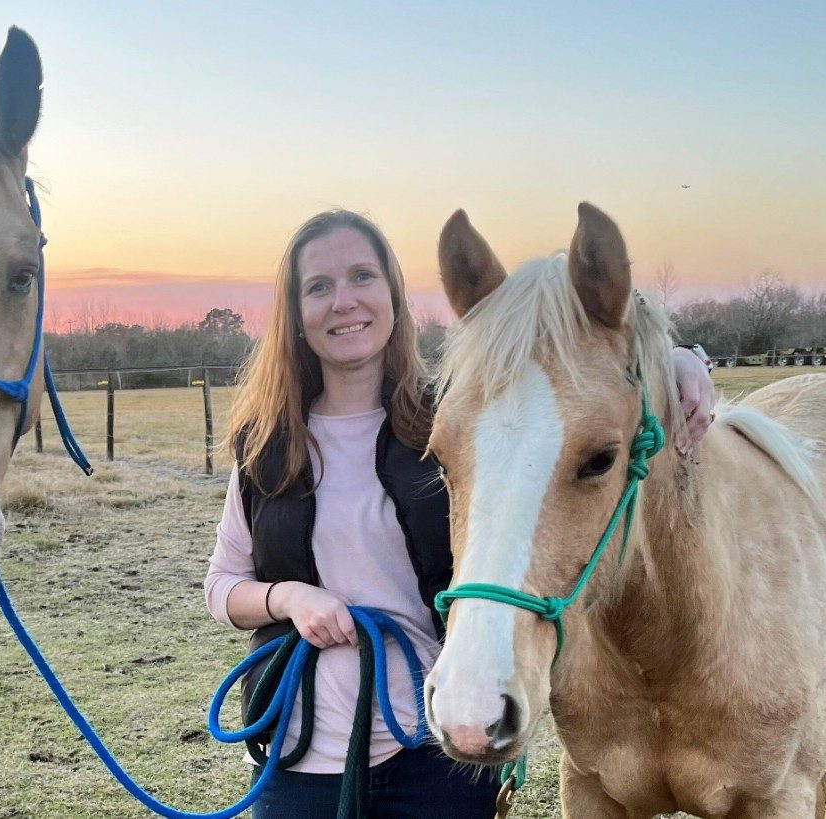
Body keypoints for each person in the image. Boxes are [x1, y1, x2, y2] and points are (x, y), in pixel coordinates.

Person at [203, 209, 715, 818]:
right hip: (297, 751)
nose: (344, 301)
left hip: (432, 742)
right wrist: (290, 599)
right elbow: (221, 586)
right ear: (296, 311)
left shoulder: (459, 422)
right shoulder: (264, 448)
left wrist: (676, 359)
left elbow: (562, 383)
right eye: (319, 286)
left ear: (393, 295)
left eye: (363, 276)